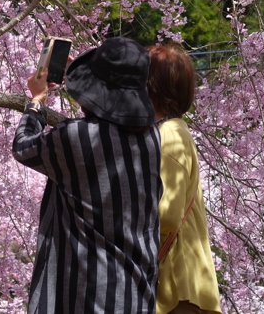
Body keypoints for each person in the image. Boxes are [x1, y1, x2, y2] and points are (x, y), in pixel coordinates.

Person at [12, 36, 161, 314]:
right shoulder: (152, 138)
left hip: (87, 294)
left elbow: (23, 147)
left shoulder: (75, 138)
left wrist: (36, 102)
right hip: (137, 293)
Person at [147, 44, 221, 314]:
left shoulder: (170, 135)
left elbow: (166, 215)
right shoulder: (168, 130)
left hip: (178, 286)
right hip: (182, 285)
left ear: (151, 85)